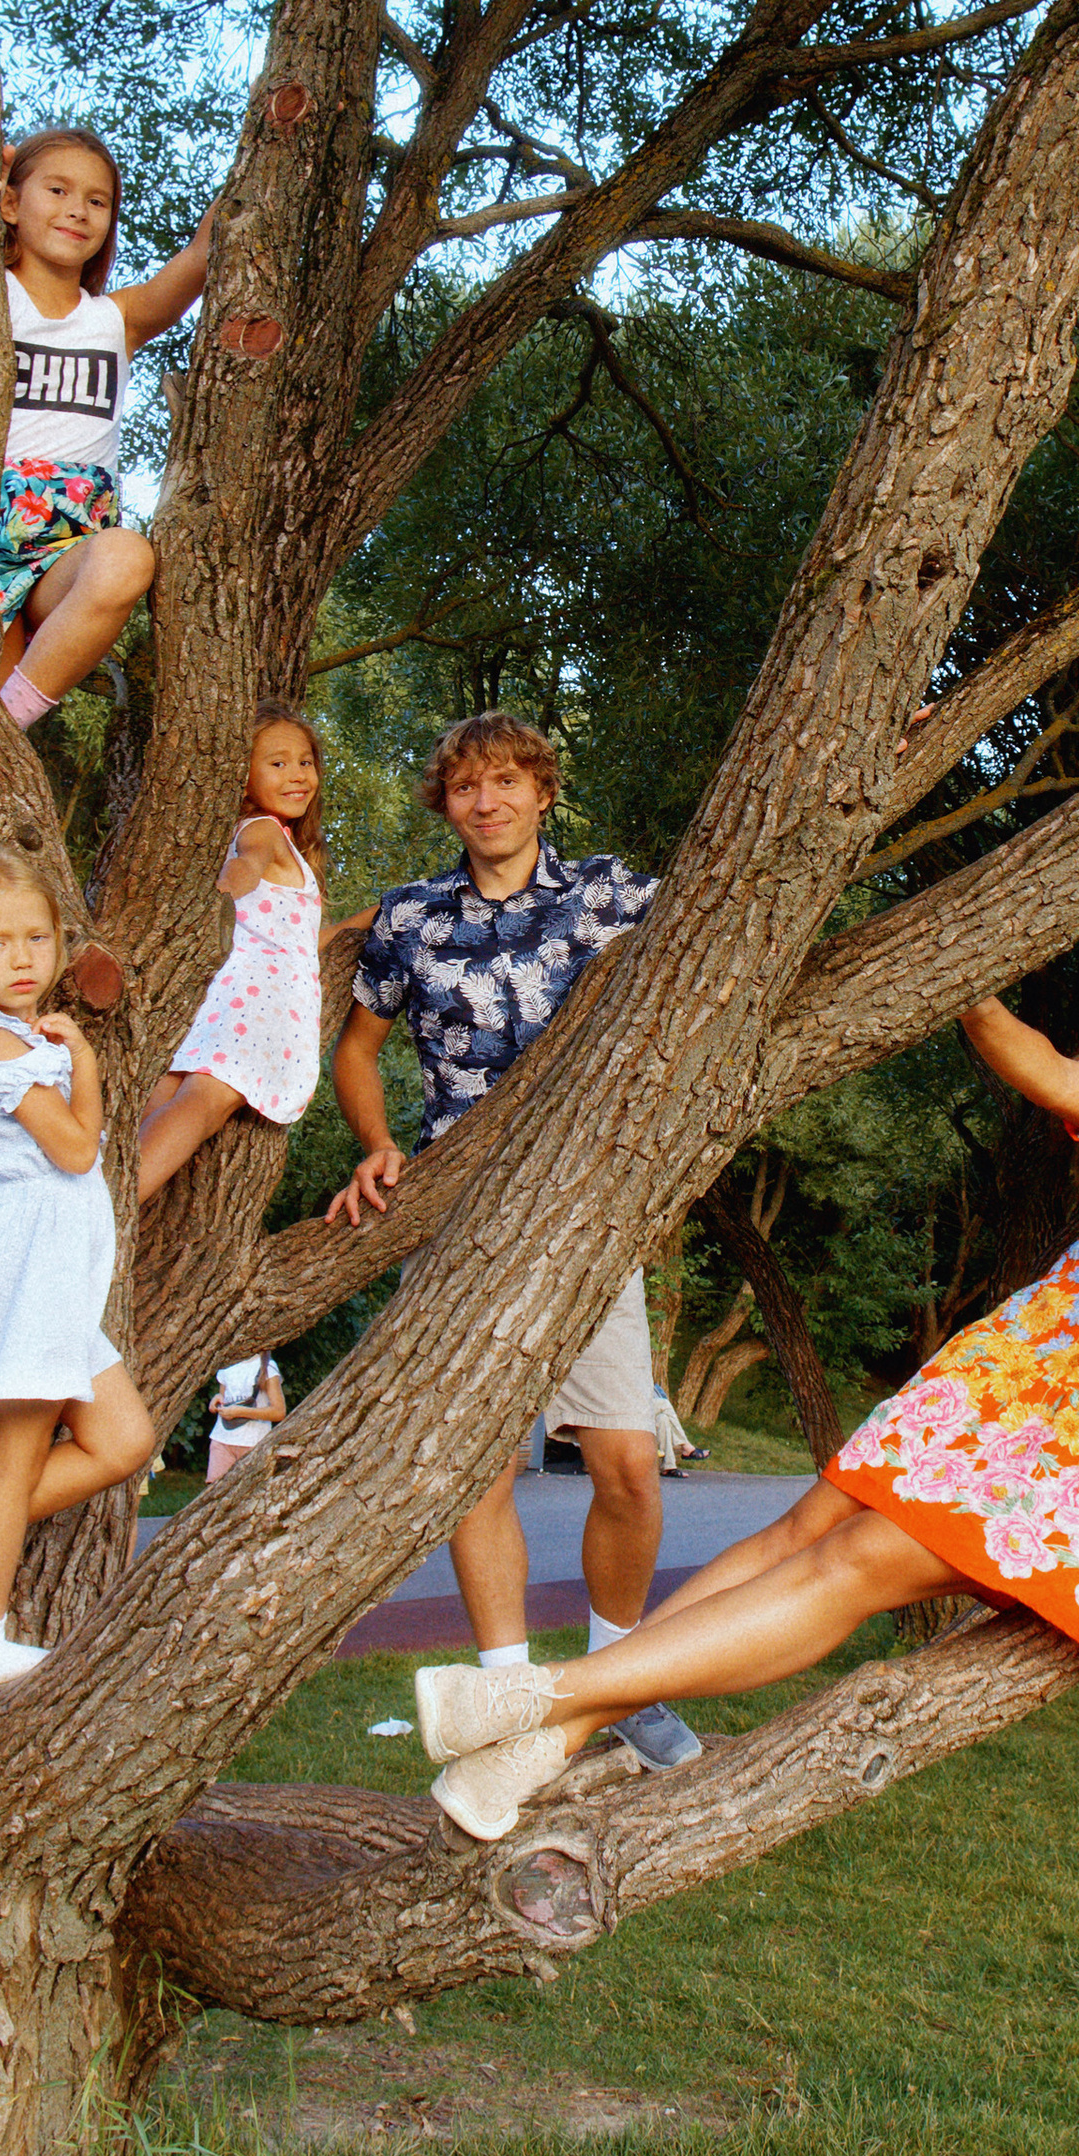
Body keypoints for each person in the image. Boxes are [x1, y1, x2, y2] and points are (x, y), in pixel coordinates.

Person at [409, 876, 1079, 1838]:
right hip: (1040, 1374)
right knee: (811, 1524)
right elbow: (1055, 1079)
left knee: (856, 1562)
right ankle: (535, 1746)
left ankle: (539, 1702)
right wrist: (967, 982)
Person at [324, 709, 699, 1773]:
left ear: (542, 791)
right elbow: (360, 1049)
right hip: (459, 1219)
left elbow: (737, 902)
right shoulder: (408, 919)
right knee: (477, 1469)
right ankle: (504, 1694)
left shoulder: (604, 896)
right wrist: (375, 1143)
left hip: (588, 1208)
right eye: (463, 789)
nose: (484, 803)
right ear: (446, 804)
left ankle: (619, 1680)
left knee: (625, 1466)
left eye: (505, 783)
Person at [0, 847, 159, 1692]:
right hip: (27, 1274)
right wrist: (85, 1063)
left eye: (37, 940)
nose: (22, 960)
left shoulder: (11, 1037)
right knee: (11, 1464)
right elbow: (78, 1152)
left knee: (124, 1441)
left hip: (52, 1276)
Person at [0, 126, 218, 814]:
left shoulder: (113, 320)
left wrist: (265, 152)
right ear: (10, 204)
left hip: (71, 542)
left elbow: (204, 257)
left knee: (126, 558)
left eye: (99, 201)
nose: (79, 209)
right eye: (57, 190)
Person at [135, 712, 372, 1200]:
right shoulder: (263, 829)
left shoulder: (264, 833)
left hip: (227, 996)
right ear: (240, 774)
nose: (297, 774)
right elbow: (252, 860)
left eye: (305, 762)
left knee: (164, 1102)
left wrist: (380, 914)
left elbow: (300, 941)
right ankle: (101, 1216)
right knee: (203, 1103)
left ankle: (107, 1194)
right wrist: (228, 889)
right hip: (258, 1005)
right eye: (278, 763)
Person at [206, 1351, 286, 1480]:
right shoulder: (227, 1364)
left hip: (253, 1442)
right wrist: (217, 1399)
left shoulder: (267, 1367)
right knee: (215, 1494)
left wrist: (241, 1412)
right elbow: (224, 1397)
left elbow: (279, 1412)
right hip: (222, 1440)